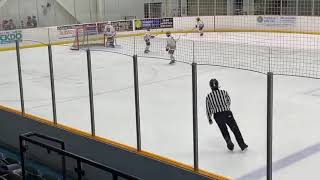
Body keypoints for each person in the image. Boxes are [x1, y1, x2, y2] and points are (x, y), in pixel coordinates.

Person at [206, 79, 248, 151]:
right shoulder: (224, 92)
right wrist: (225, 107)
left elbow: (208, 108)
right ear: (218, 84)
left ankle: (229, 142)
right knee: (235, 129)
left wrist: (209, 118)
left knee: (223, 130)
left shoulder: (209, 96)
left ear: (210, 86)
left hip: (217, 115)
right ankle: (242, 144)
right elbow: (228, 101)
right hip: (227, 112)